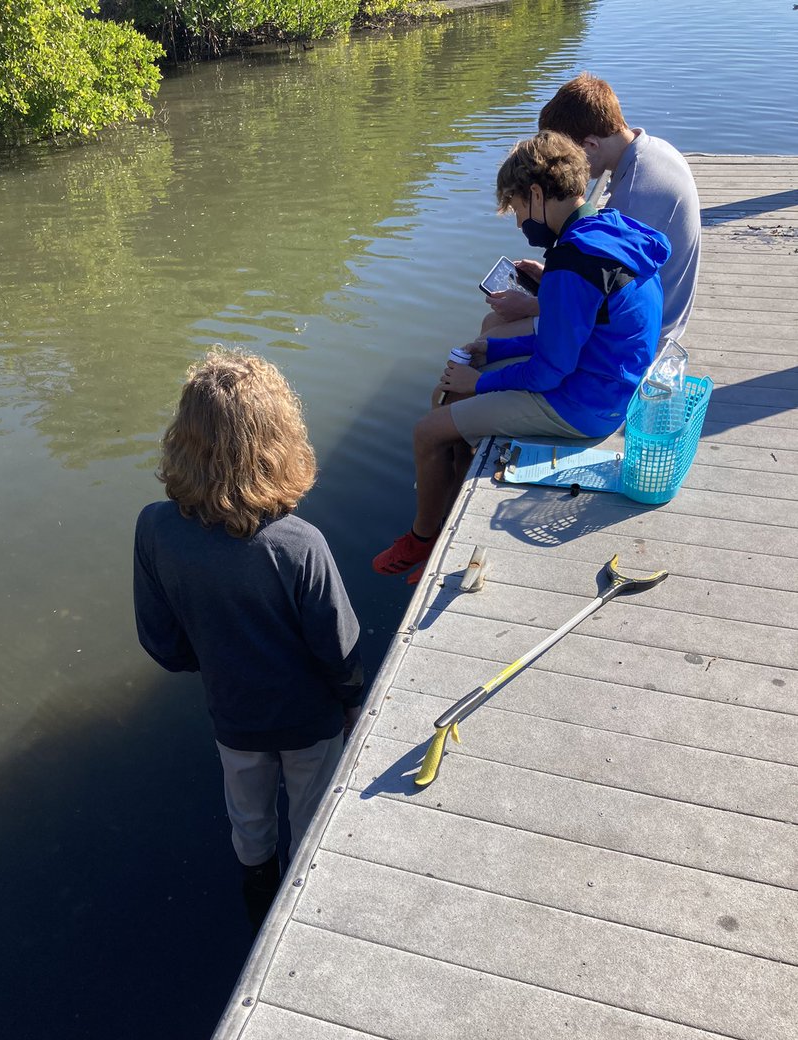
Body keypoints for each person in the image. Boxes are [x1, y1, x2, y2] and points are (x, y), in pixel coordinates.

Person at [373, 131, 670, 580]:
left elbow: (550, 371)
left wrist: (481, 381)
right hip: (607, 384)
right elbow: (567, 337)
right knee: (454, 389)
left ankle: (422, 538)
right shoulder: (609, 228)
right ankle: (449, 498)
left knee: (427, 431)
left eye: (516, 209)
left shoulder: (573, 261)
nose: (518, 224)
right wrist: (494, 348)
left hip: (584, 407)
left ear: (536, 194)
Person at [134, 350, 364, 912]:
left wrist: (217, 658)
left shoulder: (154, 528)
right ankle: (304, 904)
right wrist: (353, 700)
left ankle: (258, 888)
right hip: (310, 720)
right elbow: (339, 649)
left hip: (233, 713)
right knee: (312, 813)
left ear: (182, 440)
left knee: (248, 815)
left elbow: (163, 644)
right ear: (279, 442)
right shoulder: (300, 543)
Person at [483, 73, 700, 344]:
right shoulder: (654, 150)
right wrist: (553, 278)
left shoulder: (634, 195)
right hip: (645, 310)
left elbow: (608, 302)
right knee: (498, 324)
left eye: (567, 154)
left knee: (492, 333)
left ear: (590, 145)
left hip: (642, 334)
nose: (565, 165)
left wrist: (530, 306)